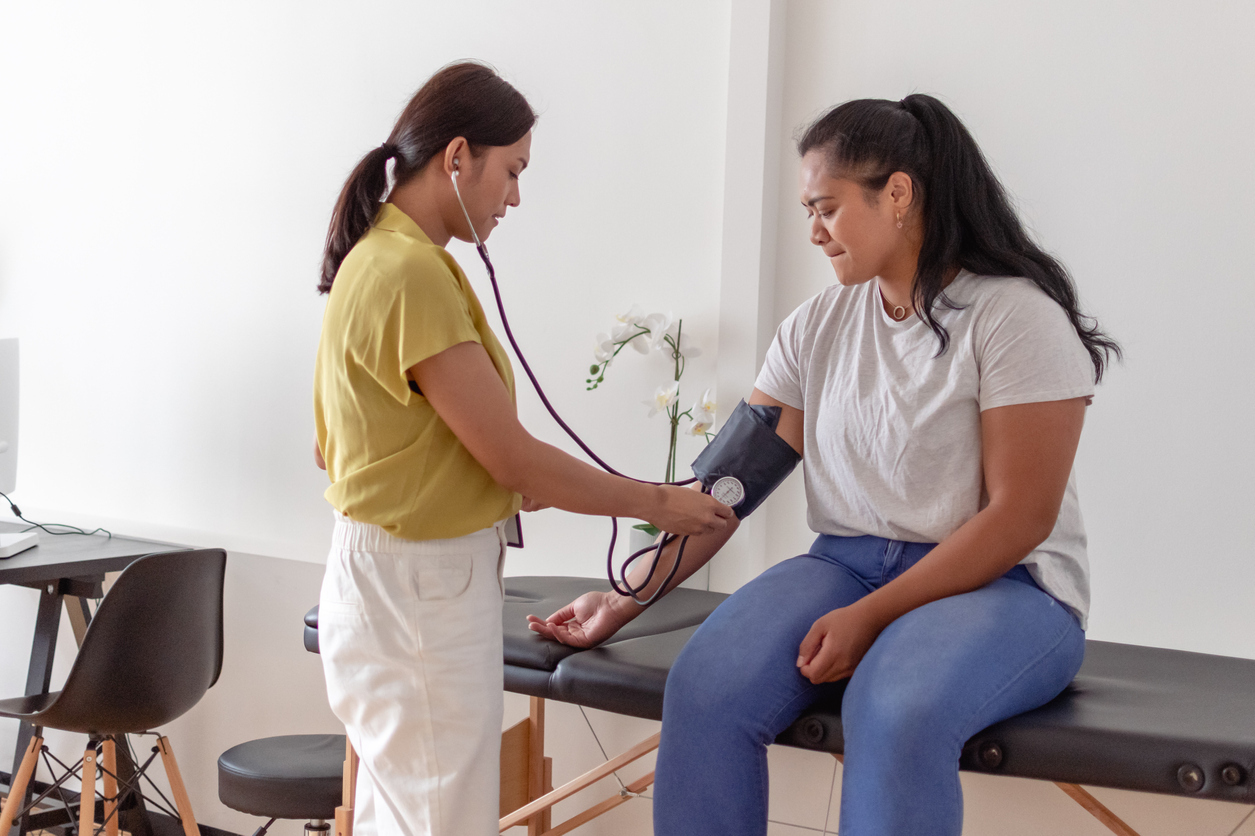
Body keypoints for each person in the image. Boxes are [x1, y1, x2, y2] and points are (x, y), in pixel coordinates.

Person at [527, 93, 1120, 836]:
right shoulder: (818, 325)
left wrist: (871, 616)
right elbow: (726, 489)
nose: (812, 231)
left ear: (897, 194)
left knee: (893, 707)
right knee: (706, 686)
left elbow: (1020, 518)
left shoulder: (1013, 318)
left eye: (826, 208)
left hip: (1009, 586)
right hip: (845, 562)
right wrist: (625, 596)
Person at [311, 62, 733, 836]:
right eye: (512, 171)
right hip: (419, 588)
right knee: (441, 819)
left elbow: (339, 448)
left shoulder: (379, 258)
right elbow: (511, 458)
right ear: (458, 154)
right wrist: (660, 503)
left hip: (387, 577)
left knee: (403, 814)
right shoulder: (408, 272)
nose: (514, 197)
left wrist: (491, 474)